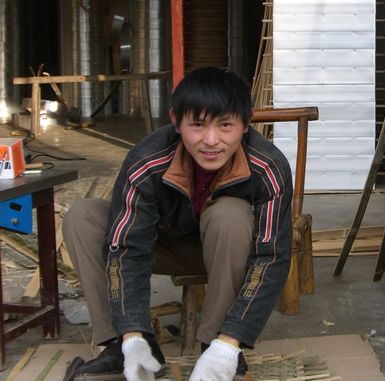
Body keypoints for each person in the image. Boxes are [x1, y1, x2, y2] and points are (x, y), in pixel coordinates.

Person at [62, 67, 293, 381]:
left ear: (245, 122)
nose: (211, 141)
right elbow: (127, 247)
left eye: (225, 125)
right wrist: (132, 332)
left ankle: (217, 346)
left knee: (230, 215)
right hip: (163, 245)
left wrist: (231, 340)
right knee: (83, 216)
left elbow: (271, 257)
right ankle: (123, 346)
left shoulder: (268, 167)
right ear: (175, 120)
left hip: (229, 251)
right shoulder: (147, 160)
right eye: (197, 125)